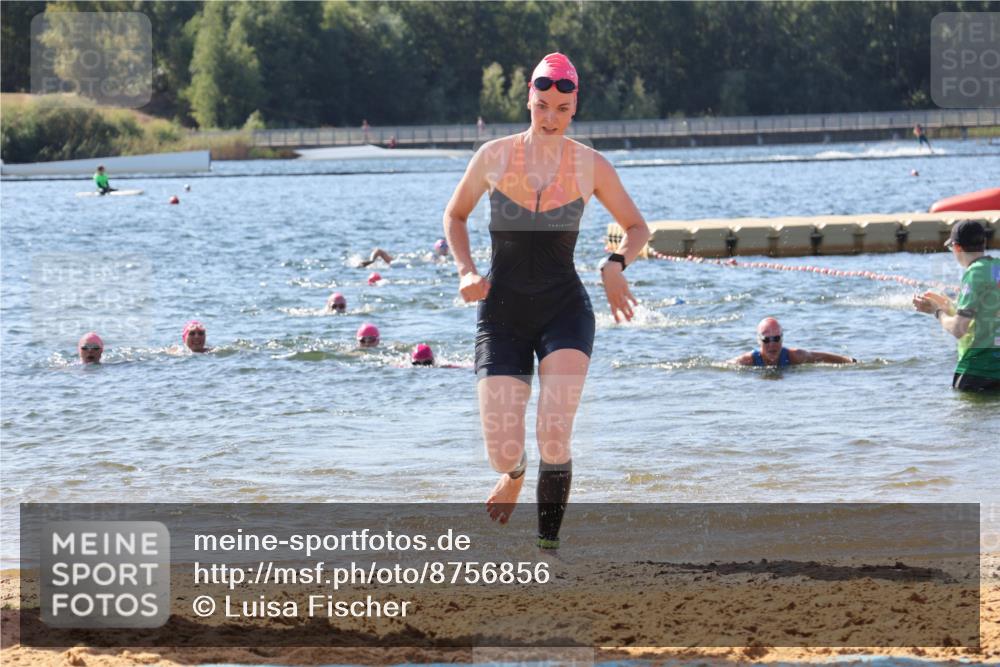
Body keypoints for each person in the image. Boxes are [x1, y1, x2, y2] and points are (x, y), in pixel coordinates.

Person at [443, 52, 650, 550]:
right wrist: (466, 270)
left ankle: (548, 550)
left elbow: (637, 227)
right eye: (542, 107)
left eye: (561, 109)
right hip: (502, 314)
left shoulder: (591, 165)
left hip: (564, 310)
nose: (551, 118)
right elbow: (455, 215)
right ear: (528, 101)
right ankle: (514, 474)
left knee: (554, 433)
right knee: (502, 450)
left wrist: (615, 264)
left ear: (575, 106)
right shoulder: (493, 156)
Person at [913, 220, 999, 392]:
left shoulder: (974, 273)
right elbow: (987, 310)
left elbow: (959, 329)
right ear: (983, 242)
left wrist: (937, 311)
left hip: (978, 371)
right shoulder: (996, 267)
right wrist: (947, 304)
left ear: (957, 247)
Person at [730, 318, 857, 367]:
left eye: (776, 339)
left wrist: (849, 361)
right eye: (766, 340)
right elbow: (724, 367)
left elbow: (820, 357)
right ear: (759, 341)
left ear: (782, 339)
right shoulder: (747, 361)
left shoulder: (794, 356)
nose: (772, 344)